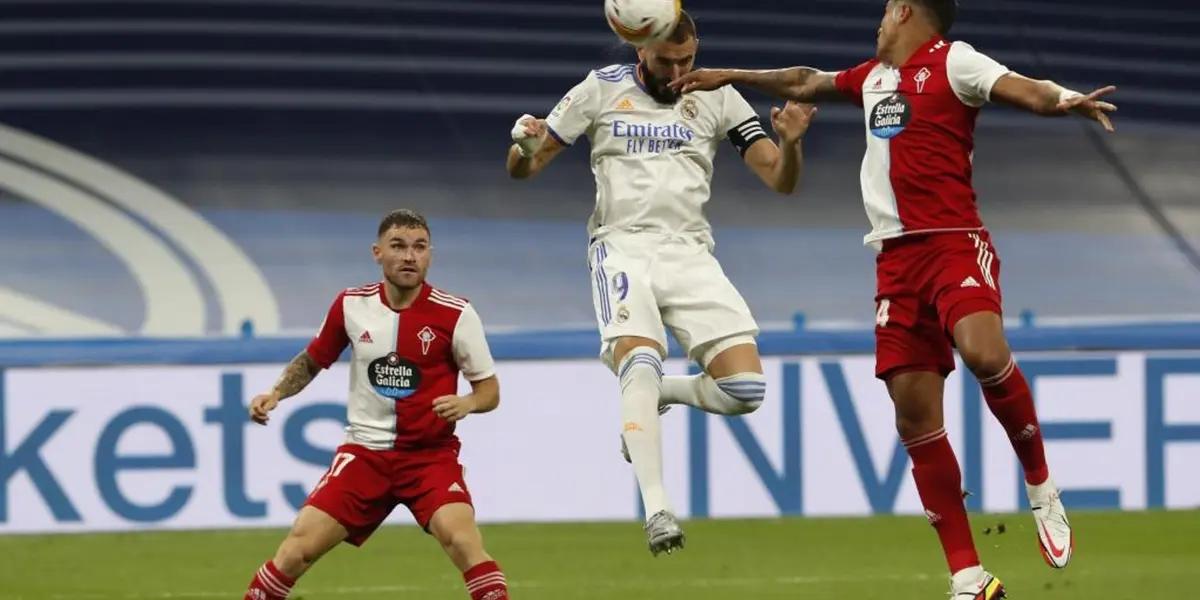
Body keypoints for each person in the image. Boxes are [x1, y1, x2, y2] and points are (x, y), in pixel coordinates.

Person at [671, 0, 1117, 597]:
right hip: (894, 260)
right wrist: (732, 75)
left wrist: (1065, 98)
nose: (878, 22)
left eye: (885, 11)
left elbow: (1022, 89)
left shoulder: (955, 62)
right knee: (914, 415)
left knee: (984, 354)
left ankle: (1041, 486)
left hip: (953, 243)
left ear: (906, 11)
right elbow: (806, 80)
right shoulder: (873, 79)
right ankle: (968, 576)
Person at [505, 10, 816, 556]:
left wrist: (791, 143)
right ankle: (657, 509)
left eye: (687, 60)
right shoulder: (599, 90)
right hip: (622, 246)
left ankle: (645, 404)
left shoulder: (717, 95)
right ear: (639, 50)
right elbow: (523, 169)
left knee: (747, 391)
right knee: (641, 358)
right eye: (666, 61)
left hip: (691, 251)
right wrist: (525, 147)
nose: (678, 71)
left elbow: (779, 180)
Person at [242, 209, 509, 600]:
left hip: (429, 458)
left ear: (429, 255)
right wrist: (276, 392)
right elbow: (313, 359)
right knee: (296, 550)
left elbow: (490, 391)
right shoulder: (351, 305)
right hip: (365, 454)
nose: (409, 256)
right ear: (377, 252)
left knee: (463, 542)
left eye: (419, 247)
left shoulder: (457, 314)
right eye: (398, 246)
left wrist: (468, 402)